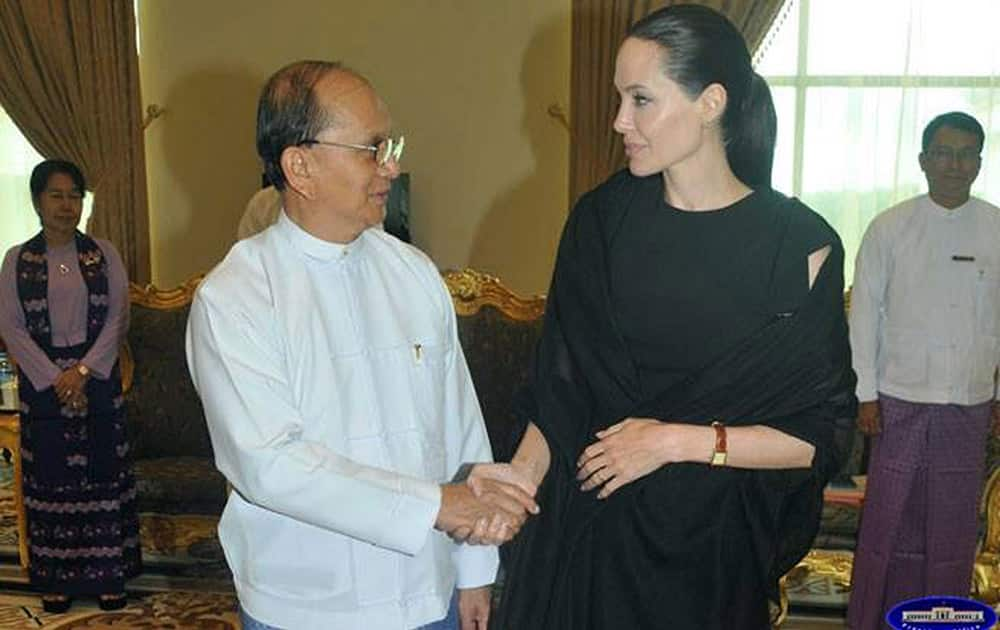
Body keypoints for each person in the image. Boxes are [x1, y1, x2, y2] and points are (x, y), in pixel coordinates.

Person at [493, 5, 857, 629]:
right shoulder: (600, 223)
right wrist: (516, 484)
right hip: (592, 537)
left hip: (711, 555)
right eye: (618, 98)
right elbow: (559, 392)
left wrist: (670, 441)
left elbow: (816, 437)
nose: (618, 122)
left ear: (711, 102)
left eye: (641, 100)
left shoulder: (800, 247)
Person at [186, 60, 537, 630]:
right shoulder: (237, 296)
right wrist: (437, 506)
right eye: (371, 149)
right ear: (300, 166)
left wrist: (475, 570)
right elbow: (269, 464)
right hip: (304, 604)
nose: (391, 166)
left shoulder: (414, 273)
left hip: (428, 595)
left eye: (390, 144)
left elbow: (460, 424)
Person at [846, 112, 1000, 629]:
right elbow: (864, 314)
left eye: (967, 154)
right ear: (923, 160)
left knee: (954, 528)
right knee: (889, 521)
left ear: (979, 161)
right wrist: (865, 394)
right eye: (943, 153)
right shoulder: (890, 228)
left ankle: (941, 622)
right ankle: (873, 620)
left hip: (970, 403)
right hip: (897, 401)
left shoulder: (996, 228)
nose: (955, 165)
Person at [0, 159, 141, 613]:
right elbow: (11, 327)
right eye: (56, 195)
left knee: (101, 479)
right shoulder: (17, 259)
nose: (67, 205)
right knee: (52, 482)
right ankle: (56, 581)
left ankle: (108, 578)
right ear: (38, 201)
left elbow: (118, 318)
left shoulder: (104, 253)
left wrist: (81, 372)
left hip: (95, 381)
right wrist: (52, 376)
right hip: (44, 387)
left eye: (74, 195)